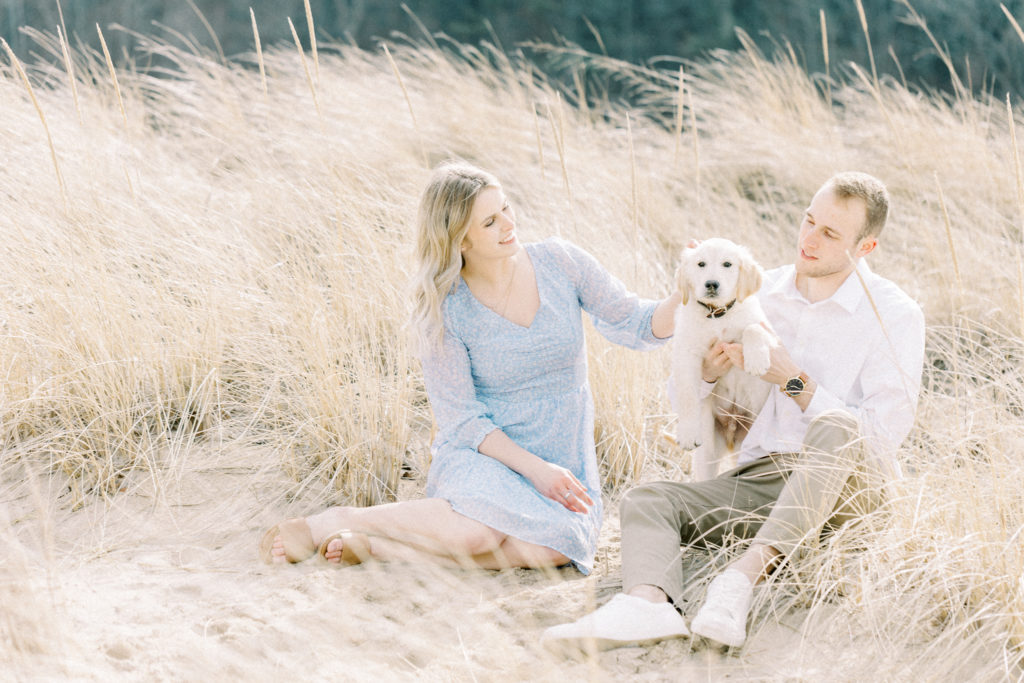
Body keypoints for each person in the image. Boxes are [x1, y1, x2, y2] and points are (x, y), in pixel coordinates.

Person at [542, 171, 925, 650]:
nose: (809, 239)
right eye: (808, 221)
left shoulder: (895, 314)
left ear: (865, 248)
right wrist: (704, 374)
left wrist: (794, 380)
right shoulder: (754, 290)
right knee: (648, 500)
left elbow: (879, 438)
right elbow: (682, 399)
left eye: (830, 234)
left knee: (838, 423)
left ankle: (738, 581)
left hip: (846, 492)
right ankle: (646, 605)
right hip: (762, 482)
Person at [259, 161, 680, 574]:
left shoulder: (560, 262)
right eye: (490, 222)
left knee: (554, 549)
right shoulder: (446, 309)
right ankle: (333, 522)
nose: (509, 225)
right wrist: (536, 471)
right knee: (476, 535)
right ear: (460, 240)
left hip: (559, 451)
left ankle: (384, 551)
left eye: (507, 209)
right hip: (486, 452)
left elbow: (636, 322)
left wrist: (685, 295)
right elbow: (460, 418)